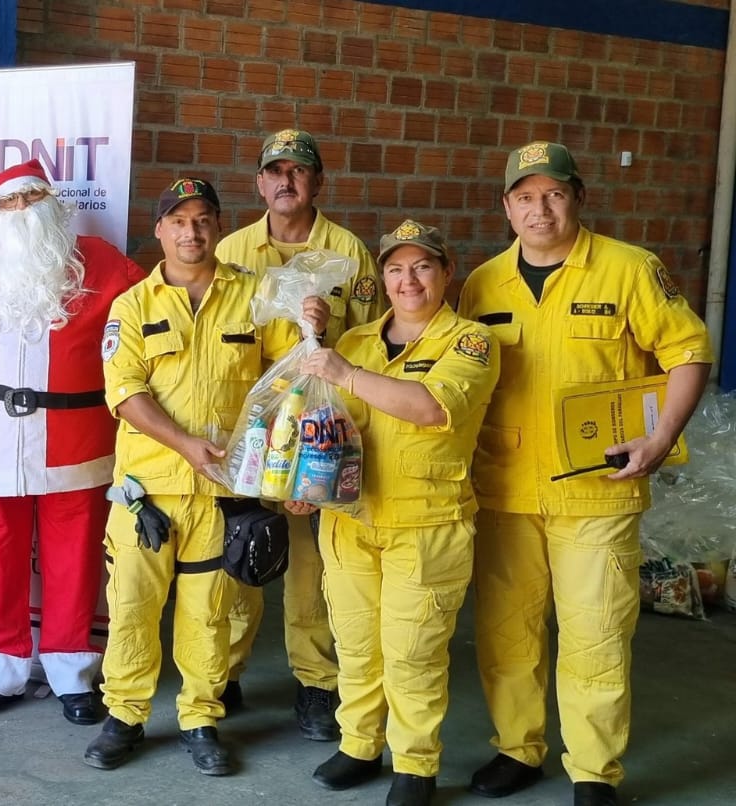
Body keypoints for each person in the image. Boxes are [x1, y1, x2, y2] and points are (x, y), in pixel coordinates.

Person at [458, 142, 712, 806]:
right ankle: (517, 748)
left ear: (578, 198)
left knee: (596, 634)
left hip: (599, 489)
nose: (539, 209)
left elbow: (688, 352)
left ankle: (594, 772)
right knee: (507, 631)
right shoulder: (482, 284)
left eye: (554, 194)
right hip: (506, 489)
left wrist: (662, 436)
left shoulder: (629, 269)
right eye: (524, 196)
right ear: (506, 206)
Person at [87, 177, 327, 775]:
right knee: (133, 607)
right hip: (147, 494)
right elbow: (125, 394)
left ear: (219, 227)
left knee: (211, 613)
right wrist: (185, 445)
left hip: (224, 493)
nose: (190, 232)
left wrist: (311, 327)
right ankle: (125, 717)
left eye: (202, 220)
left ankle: (200, 718)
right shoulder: (133, 306)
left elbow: (291, 377)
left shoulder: (254, 296)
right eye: (178, 221)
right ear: (160, 230)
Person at [0, 159, 146, 724]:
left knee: (75, 558)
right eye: (9, 202)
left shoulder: (104, 264)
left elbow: (151, 316)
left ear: (53, 205)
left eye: (31, 199)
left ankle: (71, 671)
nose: (21, 211)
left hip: (76, 442)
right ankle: (1, 669)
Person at [298, 221, 499, 806]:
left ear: (447, 273)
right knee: (356, 644)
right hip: (350, 519)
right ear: (382, 279)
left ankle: (415, 764)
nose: (408, 281)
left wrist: (344, 372)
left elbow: (432, 408)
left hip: (426, 524)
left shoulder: (470, 341)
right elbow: (325, 422)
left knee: (414, 651)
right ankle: (360, 745)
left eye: (422, 267)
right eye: (395, 269)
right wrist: (302, 479)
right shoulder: (356, 339)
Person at [215, 128, 384, 740]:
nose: (286, 180)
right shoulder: (232, 249)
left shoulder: (348, 252)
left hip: (318, 433)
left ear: (318, 182)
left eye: (299, 170)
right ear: (260, 183)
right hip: (253, 428)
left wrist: (325, 331)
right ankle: (225, 672)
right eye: (275, 171)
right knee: (241, 551)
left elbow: (373, 341)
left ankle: (315, 681)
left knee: (311, 567)